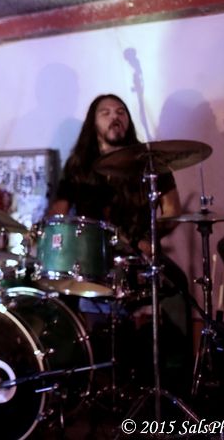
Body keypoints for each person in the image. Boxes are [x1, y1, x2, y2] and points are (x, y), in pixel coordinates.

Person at [46, 93, 192, 394]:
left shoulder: (151, 162)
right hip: (92, 257)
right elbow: (58, 213)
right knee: (59, 294)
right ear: (93, 123)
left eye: (121, 111)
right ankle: (77, 385)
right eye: (106, 112)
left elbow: (172, 210)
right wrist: (45, 235)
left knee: (177, 284)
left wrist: (148, 240)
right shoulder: (78, 165)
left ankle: (176, 383)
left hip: (139, 253)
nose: (115, 117)